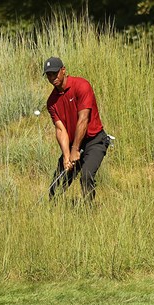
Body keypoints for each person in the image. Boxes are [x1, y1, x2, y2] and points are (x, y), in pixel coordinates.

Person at [43, 56, 110, 202]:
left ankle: (89, 214)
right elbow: (60, 130)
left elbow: (83, 120)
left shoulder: (82, 85)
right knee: (56, 187)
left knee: (86, 176)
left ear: (63, 70)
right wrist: (67, 155)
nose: (52, 77)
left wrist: (75, 150)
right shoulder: (51, 102)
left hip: (95, 140)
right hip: (74, 144)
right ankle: (52, 213)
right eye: (49, 74)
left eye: (55, 73)